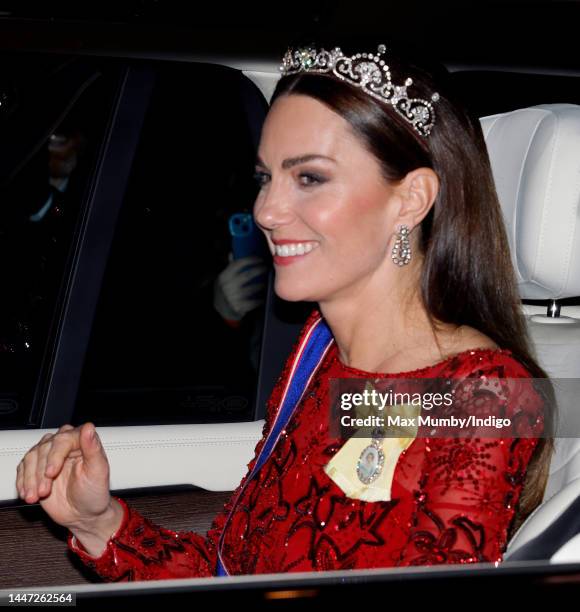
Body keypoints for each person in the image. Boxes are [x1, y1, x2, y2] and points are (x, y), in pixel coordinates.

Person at [15, 41, 554, 580]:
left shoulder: (480, 395)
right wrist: (98, 521)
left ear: (410, 199)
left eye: (309, 177)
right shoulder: (319, 355)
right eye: (265, 178)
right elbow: (237, 575)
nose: (267, 210)